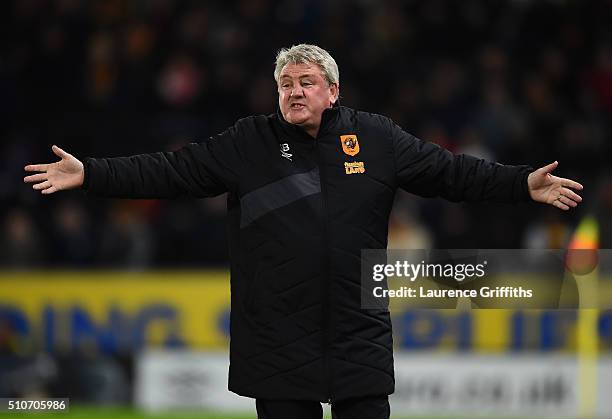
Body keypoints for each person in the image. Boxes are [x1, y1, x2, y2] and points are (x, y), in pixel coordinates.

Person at [24, 44, 583, 419]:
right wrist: (92, 173)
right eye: (285, 83)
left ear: (332, 91)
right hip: (276, 342)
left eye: (306, 82)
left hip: (357, 337)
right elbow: (171, 172)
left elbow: (451, 172)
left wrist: (519, 184)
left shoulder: (377, 139)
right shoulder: (249, 142)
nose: (293, 91)